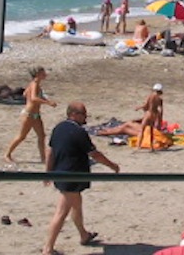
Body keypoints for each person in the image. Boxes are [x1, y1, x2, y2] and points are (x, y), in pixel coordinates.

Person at [43, 101, 120, 255]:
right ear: (74, 114)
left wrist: (48, 172)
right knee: (61, 212)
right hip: (71, 176)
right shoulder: (78, 132)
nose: (86, 117)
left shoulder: (59, 128)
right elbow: (94, 154)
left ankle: (84, 235)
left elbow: (50, 151)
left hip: (61, 173)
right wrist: (112, 165)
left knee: (76, 205)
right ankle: (48, 248)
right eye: (83, 114)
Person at [4, 66, 57, 164]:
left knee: (42, 136)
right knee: (22, 136)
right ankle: (7, 154)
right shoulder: (35, 84)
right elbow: (33, 98)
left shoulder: (34, 84)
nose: (45, 74)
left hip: (35, 115)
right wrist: (48, 102)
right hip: (29, 114)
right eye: (43, 72)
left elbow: (25, 94)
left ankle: (43, 158)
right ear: (37, 74)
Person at [135, 83, 164, 152]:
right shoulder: (160, 99)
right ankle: (151, 147)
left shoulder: (151, 96)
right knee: (151, 131)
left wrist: (139, 108)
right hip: (154, 115)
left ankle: (138, 146)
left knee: (142, 129)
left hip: (149, 113)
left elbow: (146, 105)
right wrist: (160, 119)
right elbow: (161, 110)